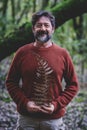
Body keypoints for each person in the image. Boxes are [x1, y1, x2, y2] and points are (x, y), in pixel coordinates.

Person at [5, 10, 79, 130]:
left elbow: (73, 85)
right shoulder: (22, 52)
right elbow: (11, 82)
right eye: (39, 25)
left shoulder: (63, 54)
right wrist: (25, 103)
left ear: (53, 29)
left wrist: (56, 105)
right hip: (27, 119)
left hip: (53, 120)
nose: (43, 28)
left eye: (46, 25)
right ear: (33, 29)